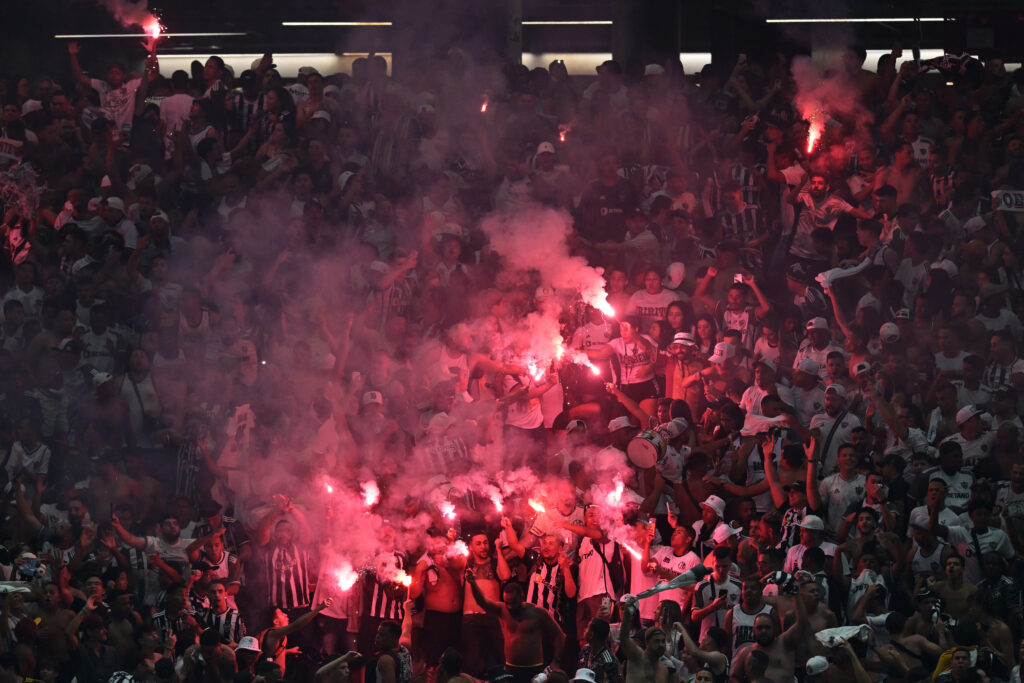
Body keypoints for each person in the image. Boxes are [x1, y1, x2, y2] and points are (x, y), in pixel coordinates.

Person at [466, 570, 565, 683]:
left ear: (521, 596)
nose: (509, 607)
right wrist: (473, 584)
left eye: (512, 602)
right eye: (507, 602)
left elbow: (559, 635)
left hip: (534, 670)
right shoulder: (502, 610)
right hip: (510, 669)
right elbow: (482, 601)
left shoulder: (538, 613)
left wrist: (556, 661)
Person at [618, 594, 670, 683]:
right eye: (657, 641)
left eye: (663, 641)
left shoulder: (664, 669)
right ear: (647, 643)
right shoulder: (637, 657)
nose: (660, 644)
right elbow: (624, 639)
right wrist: (626, 614)